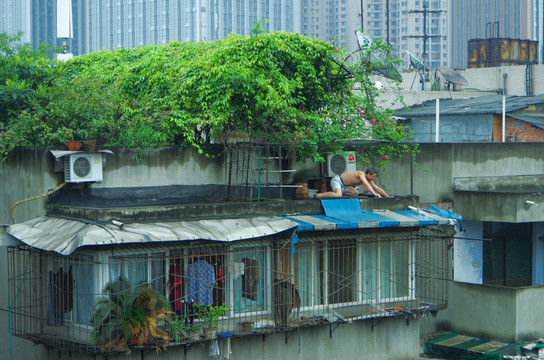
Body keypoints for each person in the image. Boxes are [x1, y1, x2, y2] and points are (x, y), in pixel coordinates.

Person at [315, 168, 391, 198]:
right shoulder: (361, 173)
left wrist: (388, 197)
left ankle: (340, 195)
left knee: (355, 193)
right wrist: (374, 194)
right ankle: (319, 195)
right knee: (338, 194)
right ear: (368, 174)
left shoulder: (369, 180)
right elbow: (366, 184)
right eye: (373, 176)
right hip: (338, 180)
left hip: (345, 186)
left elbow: (378, 188)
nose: (373, 178)